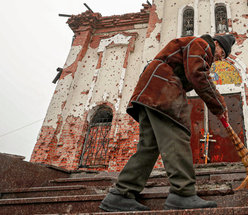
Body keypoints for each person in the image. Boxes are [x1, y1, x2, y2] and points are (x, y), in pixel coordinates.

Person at [99, 34, 236, 212]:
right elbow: (198, 74)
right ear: (216, 43)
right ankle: (183, 193)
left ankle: (121, 194)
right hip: (162, 90)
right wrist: (219, 105)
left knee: (149, 146)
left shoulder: (195, 46)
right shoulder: (201, 44)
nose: (220, 57)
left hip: (151, 91)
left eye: (224, 56)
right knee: (177, 134)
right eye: (222, 52)